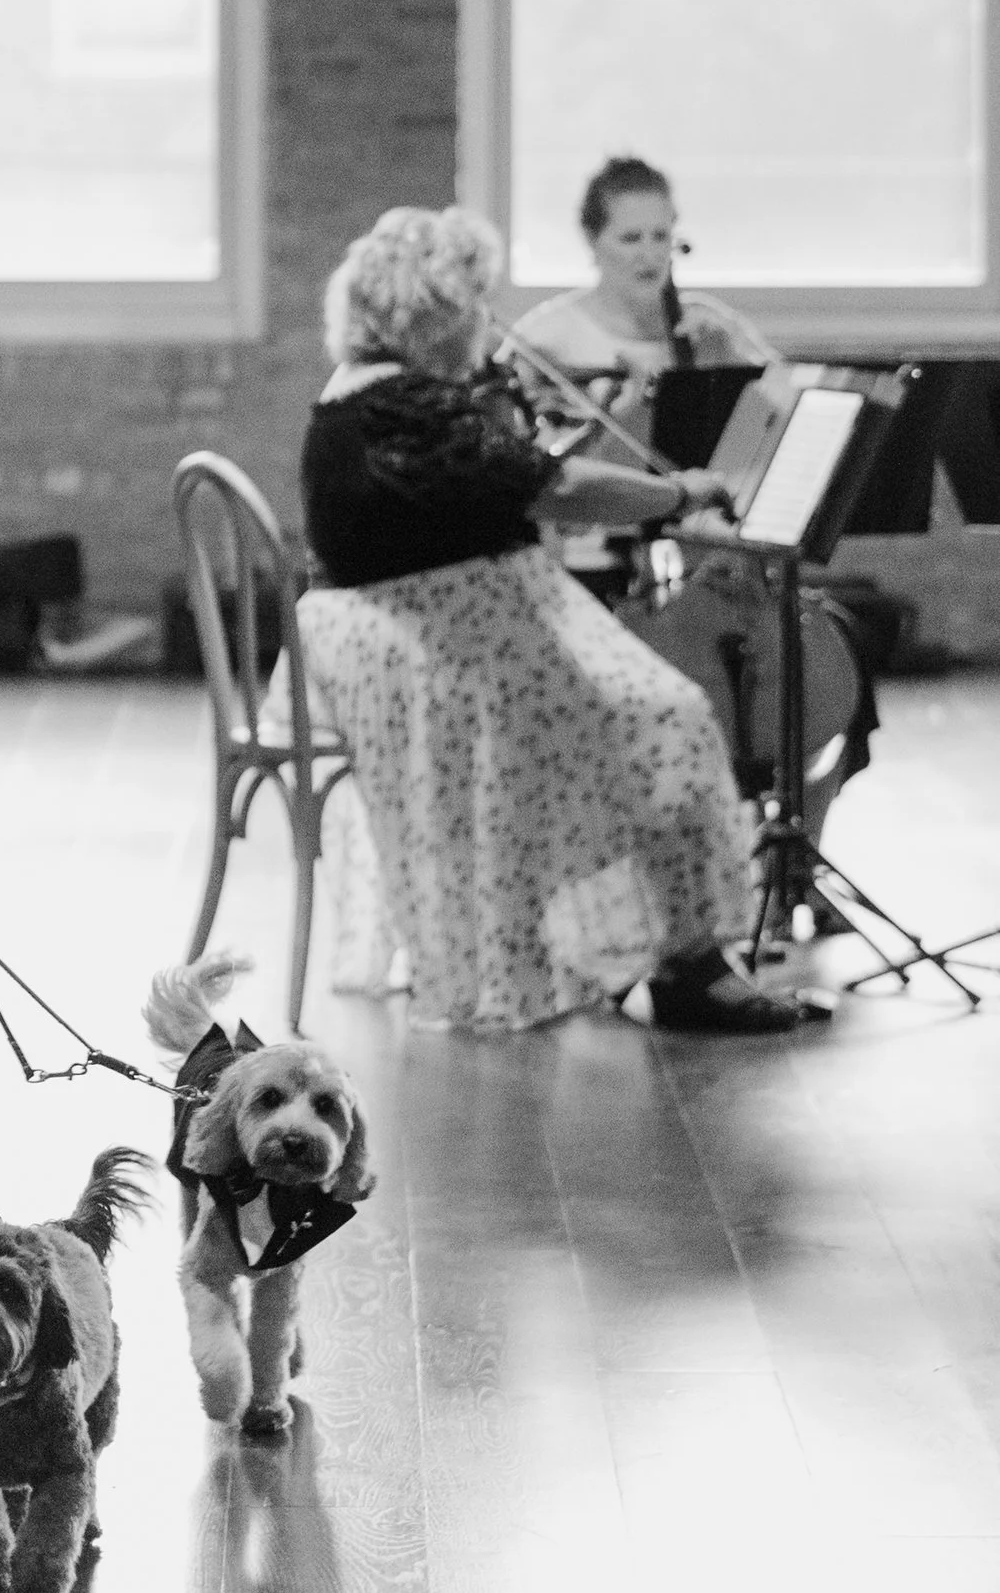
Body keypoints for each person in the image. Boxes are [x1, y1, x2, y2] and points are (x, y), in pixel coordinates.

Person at [297, 205, 822, 1037]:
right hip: (449, 651)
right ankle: (688, 966)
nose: (487, 319)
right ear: (436, 311)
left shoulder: (365, 397)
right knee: (672, 719)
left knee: (645, 718)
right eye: (476, 299)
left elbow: (503, 482)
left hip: (423, 639)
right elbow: (560, 489)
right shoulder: (407, 406)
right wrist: (680, 492)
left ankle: (643, 948)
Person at [520, 157, 776, 579]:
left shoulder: (708, 325)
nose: (650, 255)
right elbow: (541, 474)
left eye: (661, 237)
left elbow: (787, 408)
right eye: (630, 238)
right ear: (592, 239)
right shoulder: (548, 339)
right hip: (593, 554)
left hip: (702, 555)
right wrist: (629, 408)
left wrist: (731, 360)